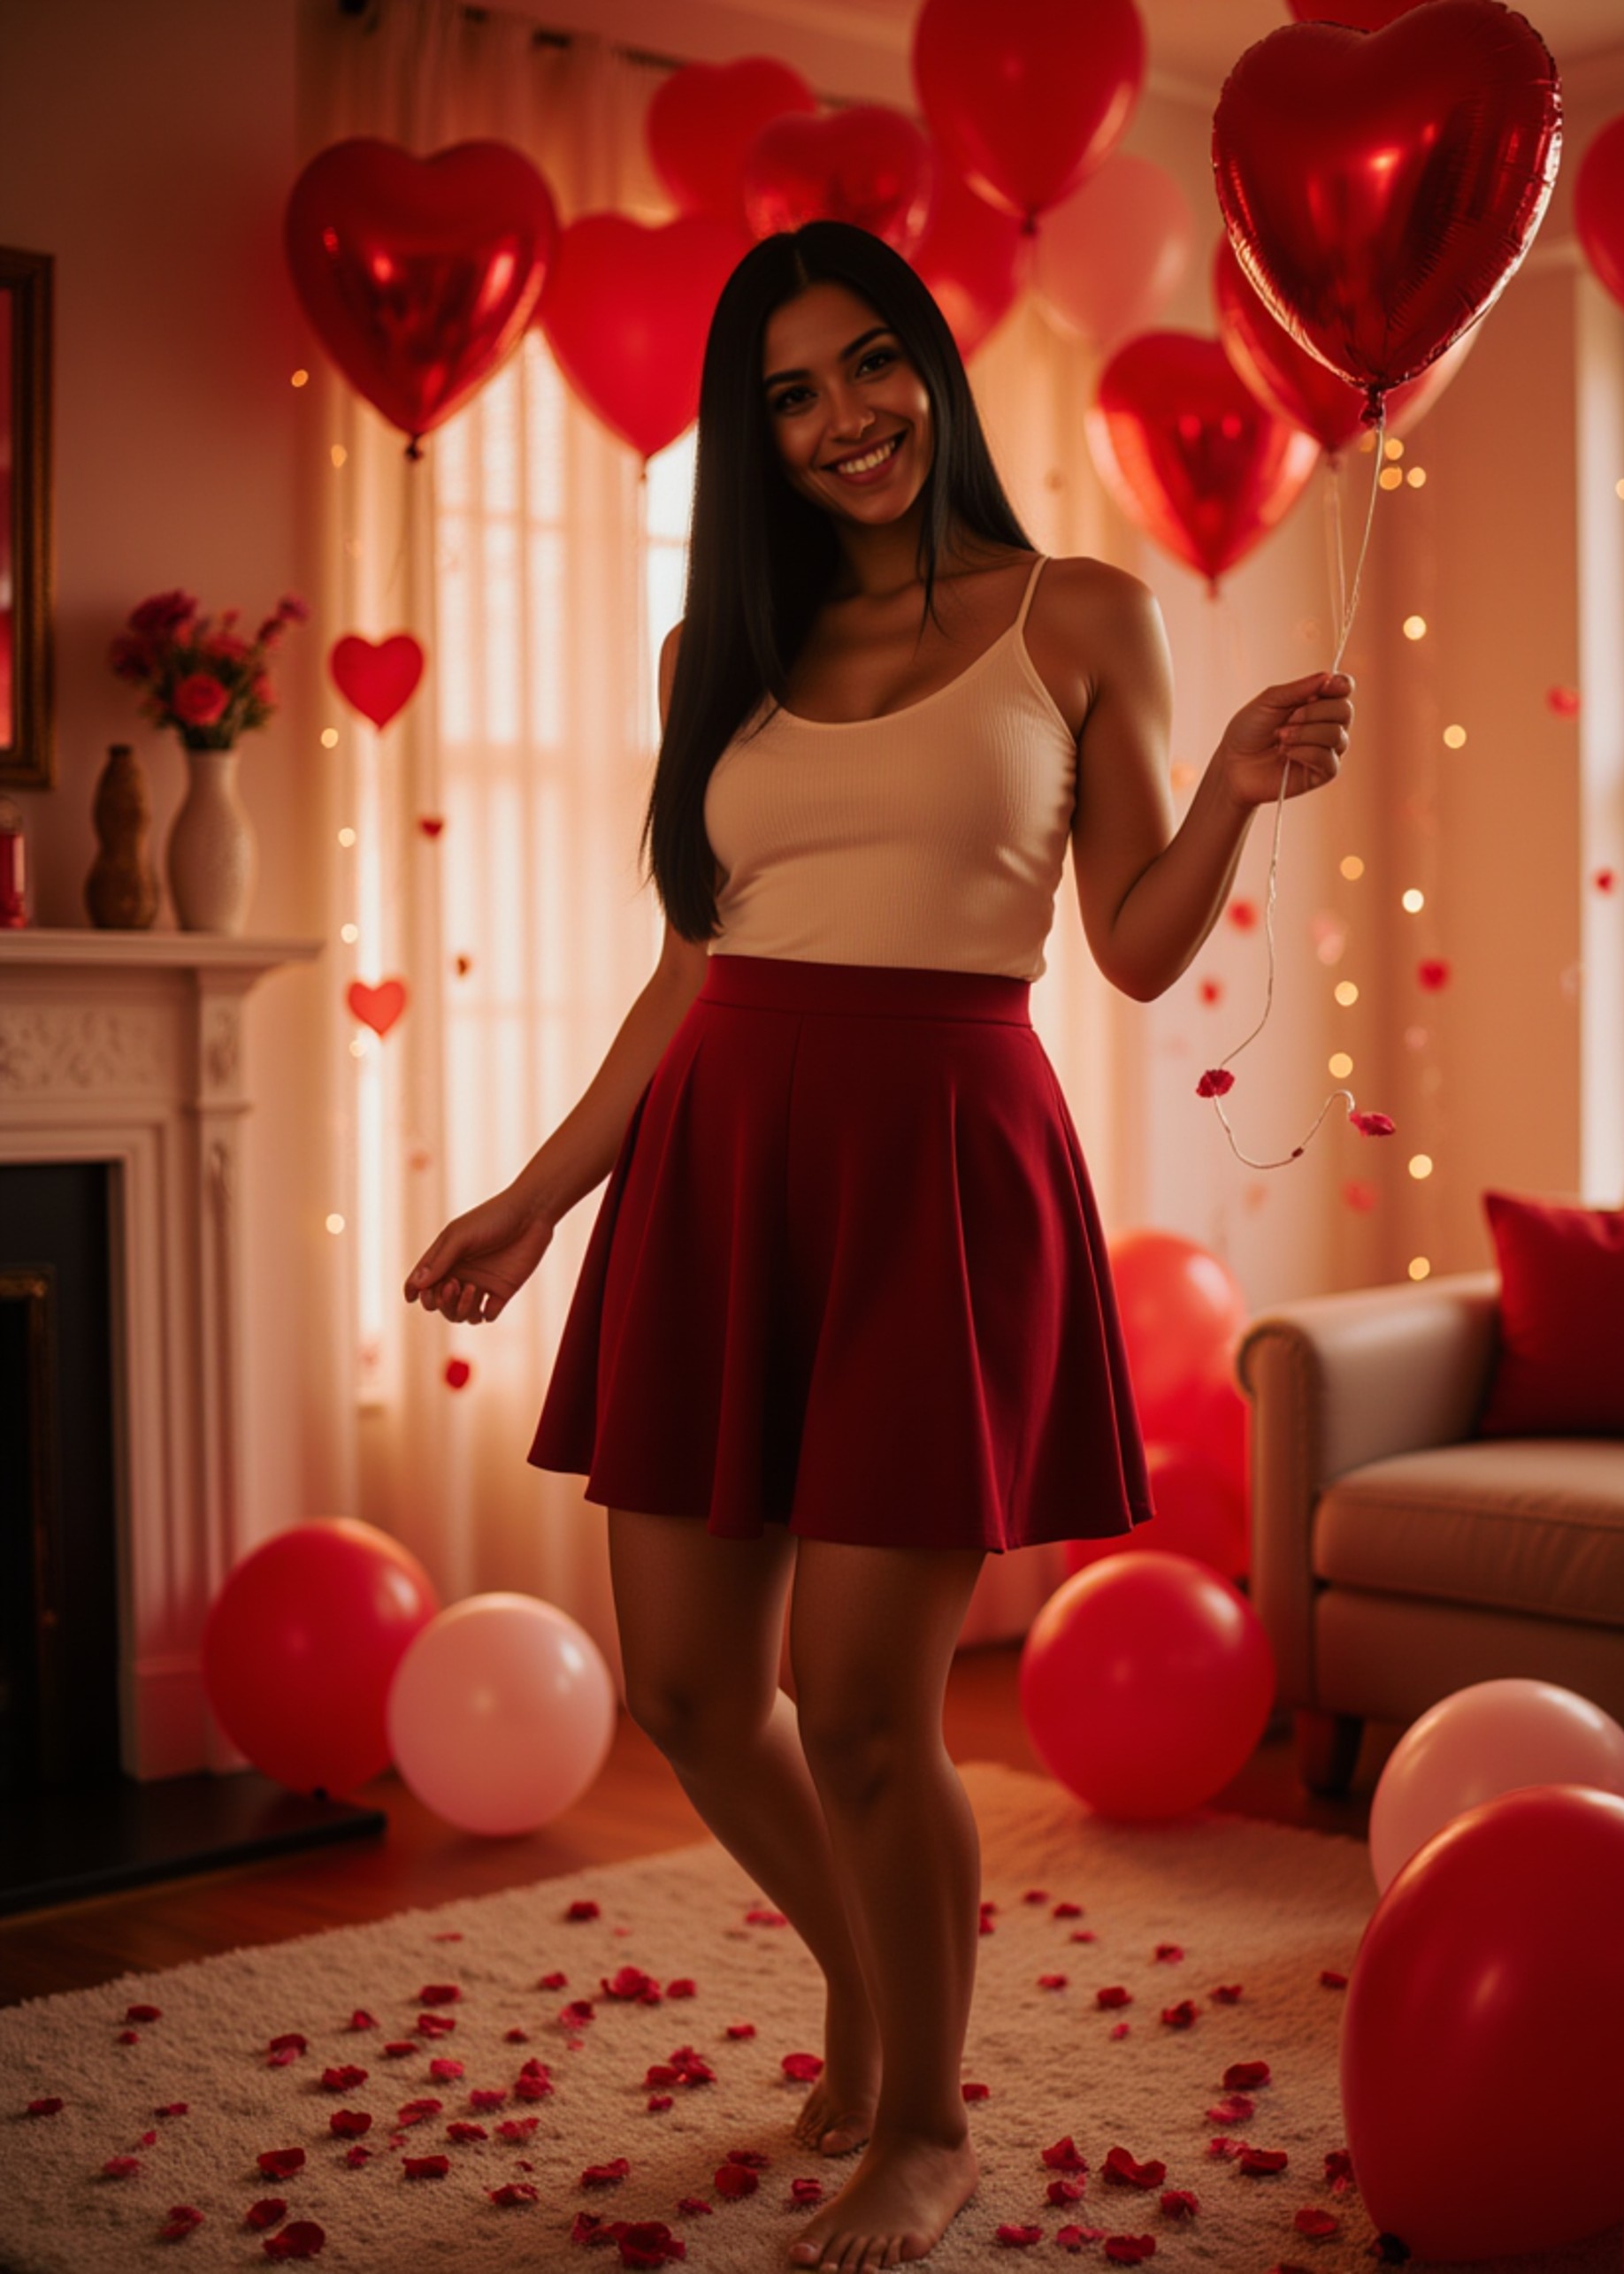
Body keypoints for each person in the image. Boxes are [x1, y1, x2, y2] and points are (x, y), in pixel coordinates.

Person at [405, 219, 1352, 2274]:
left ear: (932, 363)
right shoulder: (709, 659)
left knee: (857, 1705)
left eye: (871, 366)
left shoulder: (1080, 613)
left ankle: (923, 2115)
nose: (845, 418)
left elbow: (1127, 941)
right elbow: (687, 973)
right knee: (681, 1679)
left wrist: (1235, 790)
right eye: (793, 394)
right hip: (723, 1154)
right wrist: (534, 1191)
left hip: (943, 1152)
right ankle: (869, 1971)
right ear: (753, 441)